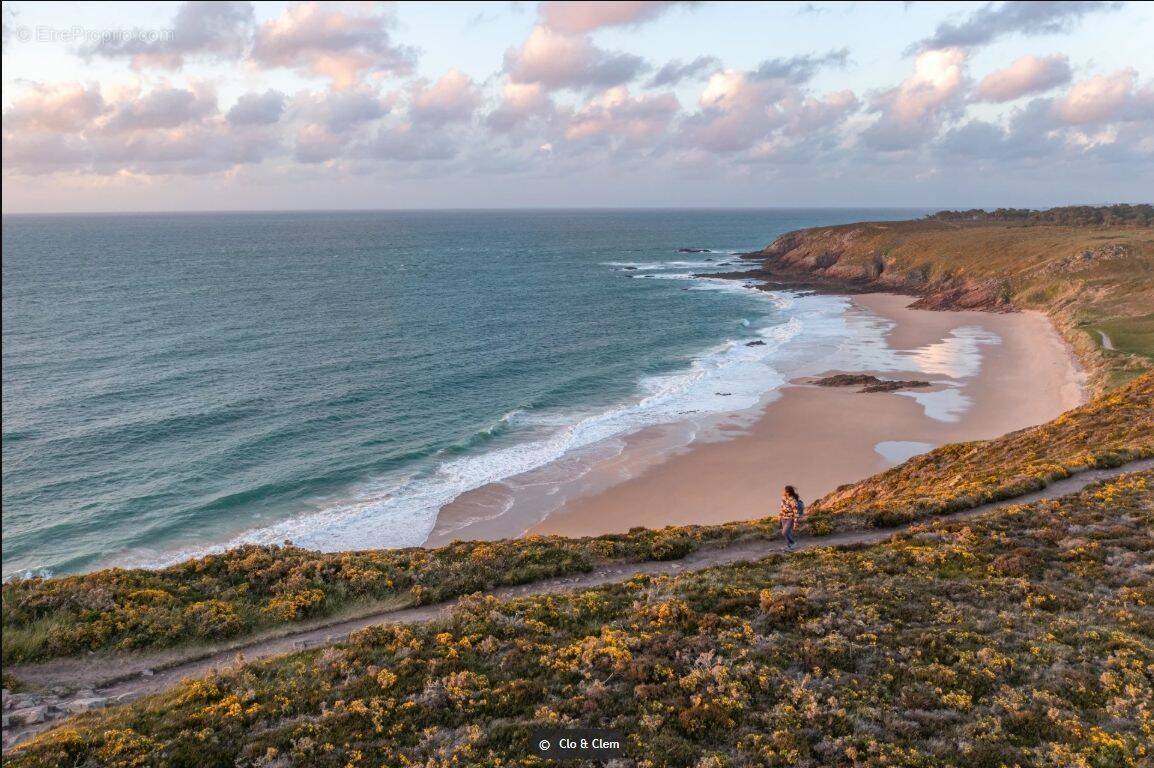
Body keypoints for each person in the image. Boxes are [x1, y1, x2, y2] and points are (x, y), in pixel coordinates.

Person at [780, 485, 804, 550]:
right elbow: (782, 508)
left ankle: (793, 543)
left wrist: (795, 523)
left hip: (790, 518)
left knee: (784, 532)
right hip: (783, 517)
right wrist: (780, 516)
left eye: (784, 491)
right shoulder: (783, 498)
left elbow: (796, 512)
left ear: (788, 492)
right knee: (788, 533)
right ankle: (789, 546)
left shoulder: (793, 500)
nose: (783, 492)